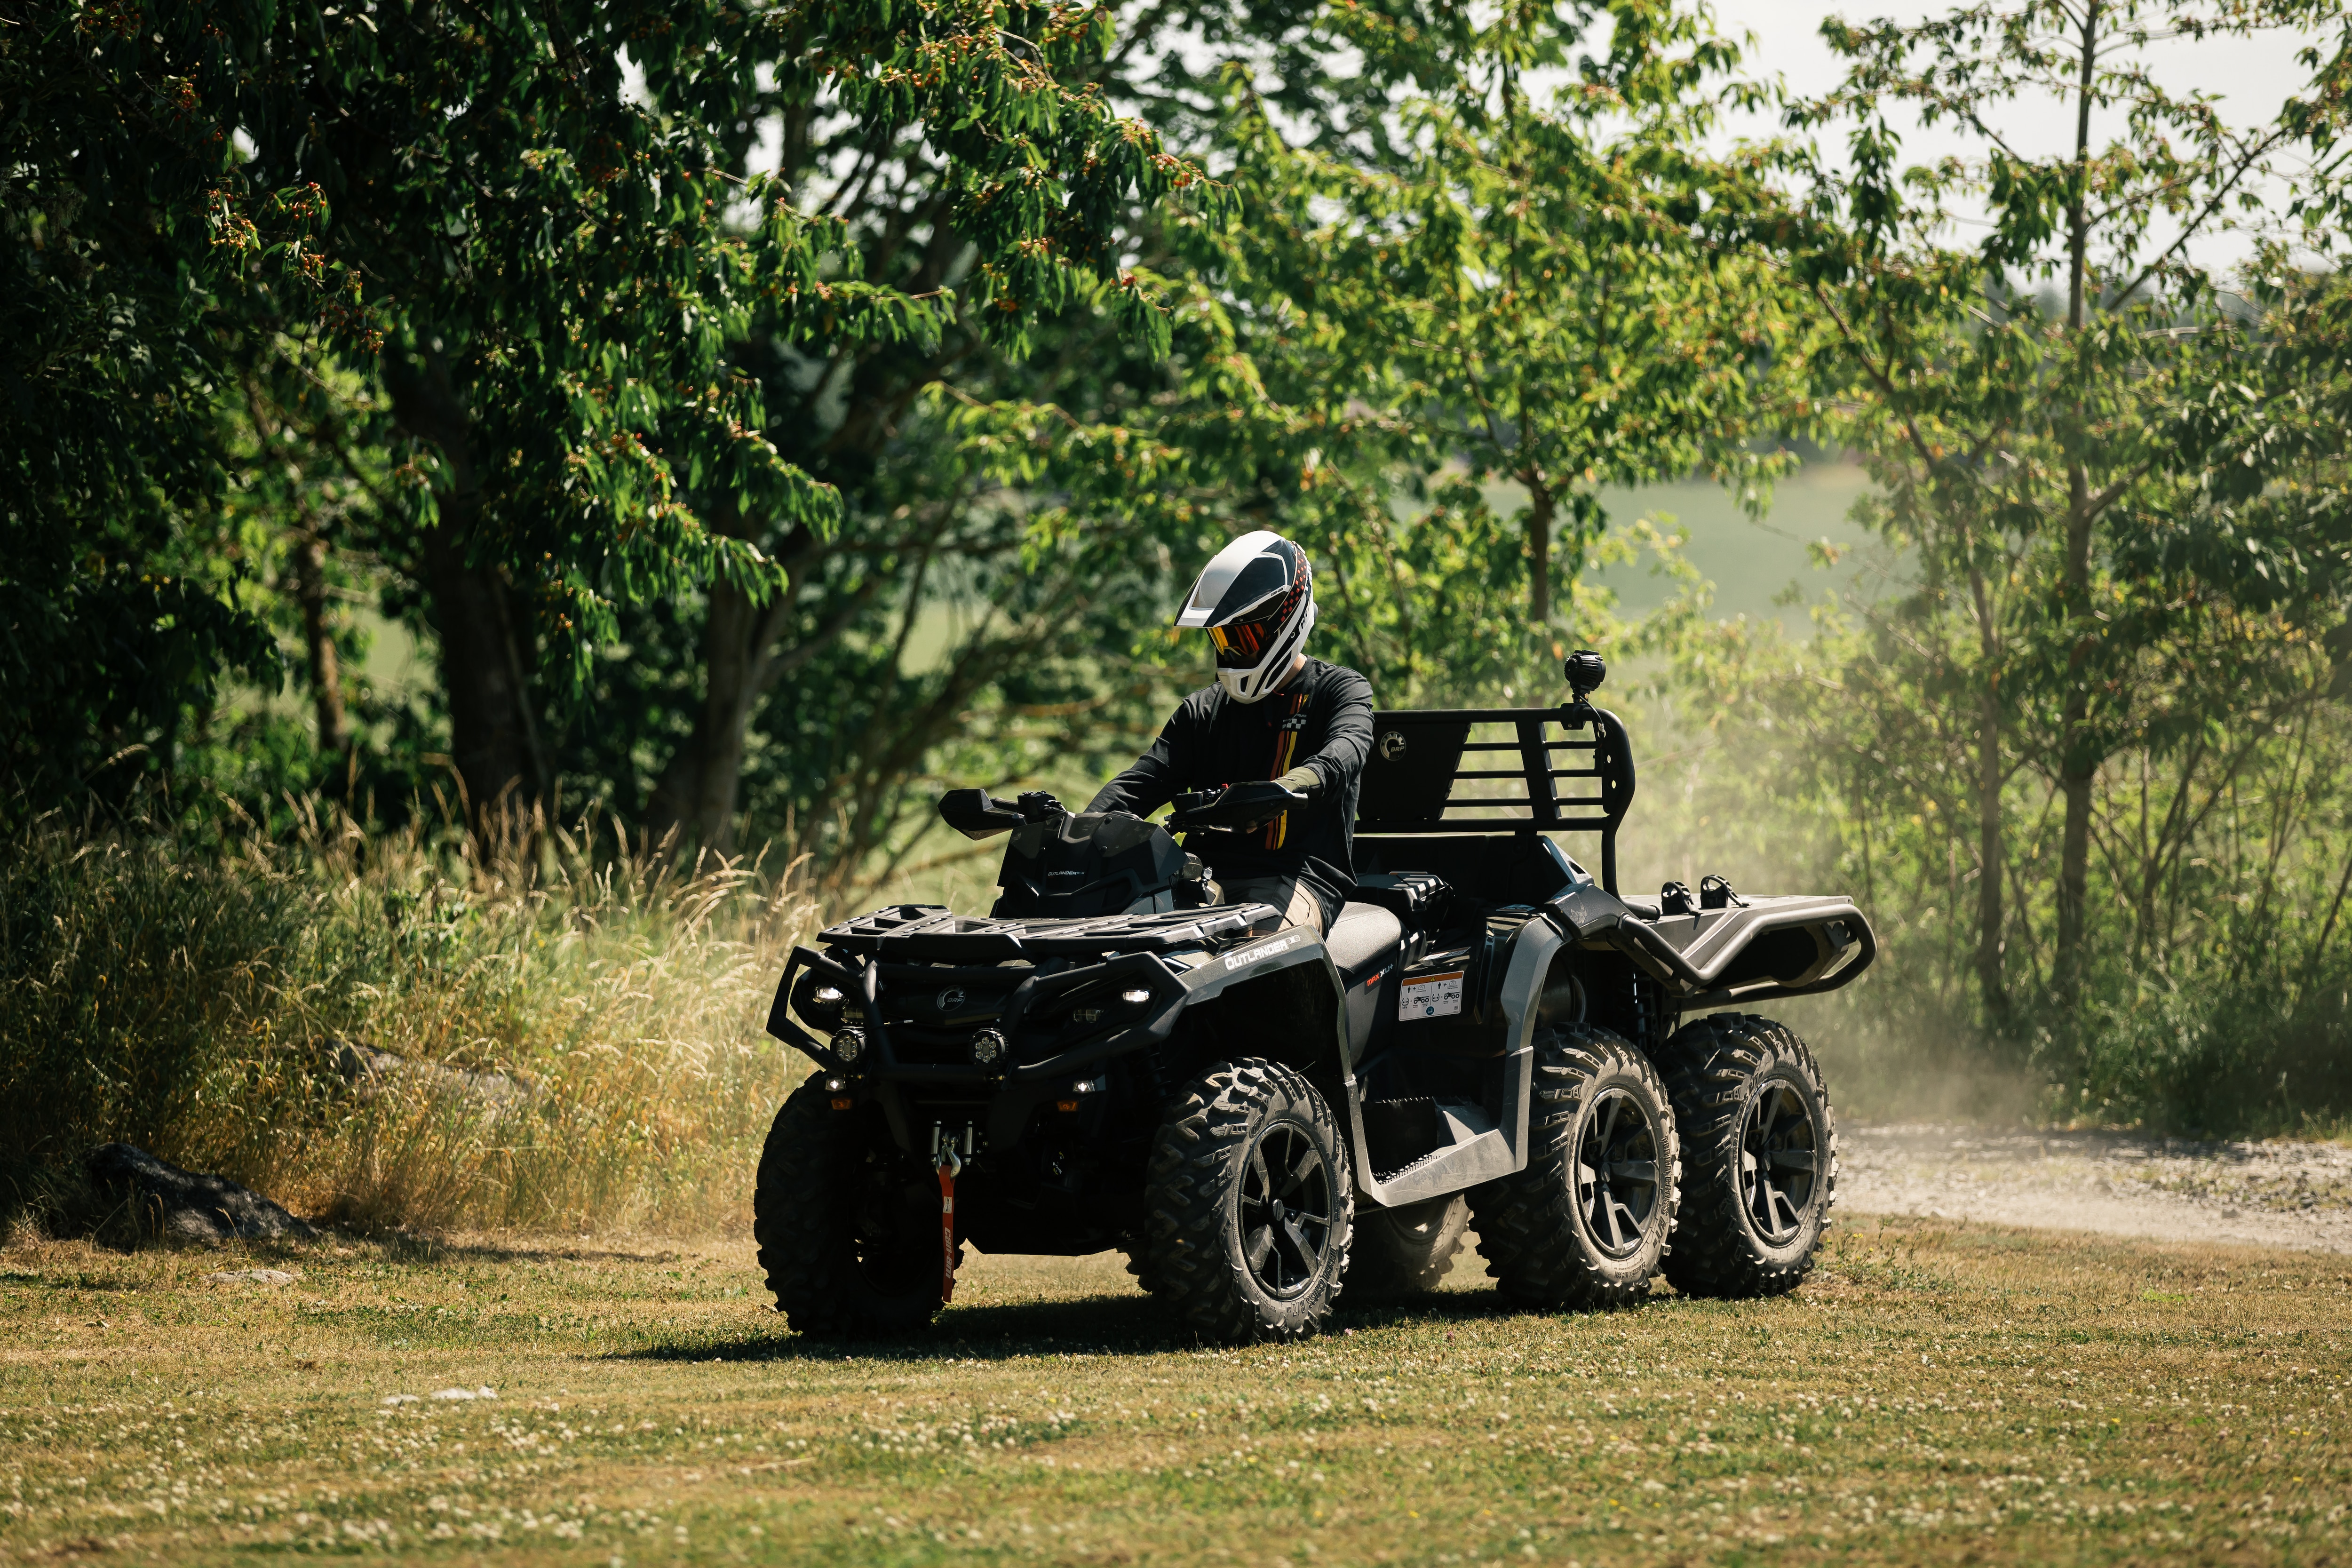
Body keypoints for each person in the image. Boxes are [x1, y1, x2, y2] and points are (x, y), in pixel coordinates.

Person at [1087, 531, 1373, 933]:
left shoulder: (1339, 690)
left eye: (1243, 638)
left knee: (1253, 961)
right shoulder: (1201, 710)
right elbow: (1139, 784)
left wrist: (1287, 787)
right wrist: (1077, 829)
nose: (1232, 653)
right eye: (1222, 638)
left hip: (1297, 879)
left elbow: (1347, 750)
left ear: (1285, 621)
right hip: (1194, 880)